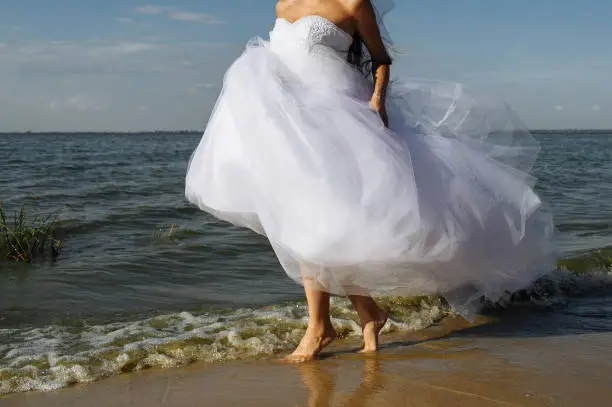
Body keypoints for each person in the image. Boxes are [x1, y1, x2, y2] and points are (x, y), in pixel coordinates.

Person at [185, 0, 555, 362]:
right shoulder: (284, 5)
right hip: (295, 127)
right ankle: (360, 317)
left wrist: (377, 101)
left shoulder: (353, 4)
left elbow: (380, 59)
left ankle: (324, 327)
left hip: (343, 120)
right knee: (310, 226)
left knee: (327, 227)